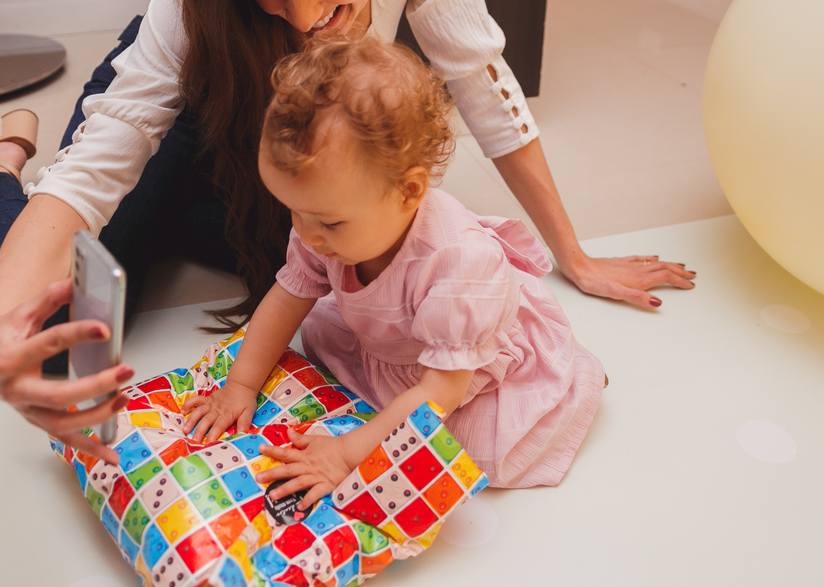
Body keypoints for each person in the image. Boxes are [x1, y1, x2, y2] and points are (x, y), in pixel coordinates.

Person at [0, 0, 693, 465]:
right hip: (188, 116)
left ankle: (160, 213)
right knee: (49, 333)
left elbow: (480, 76)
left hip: (291, 149)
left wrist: (574, 253)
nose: (311, 17)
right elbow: (105, 157)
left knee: (336, 265)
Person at [183, 38, 604, 502]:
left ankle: (572, 376)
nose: (307, 234)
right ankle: (381, 394)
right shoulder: (320, 226)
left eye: (328, 221)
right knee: (318, 329)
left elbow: (438, 393)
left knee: (466, 454)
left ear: (408, 191)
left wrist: (345, 456)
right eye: (293, 211)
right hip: (393, 344)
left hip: (459, 370)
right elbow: (288, 296)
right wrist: (239, 386)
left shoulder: (458, 265)